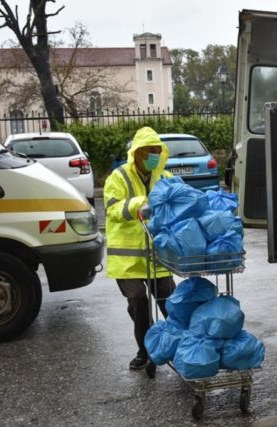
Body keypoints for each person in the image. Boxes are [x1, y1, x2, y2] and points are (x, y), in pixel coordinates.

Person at [104, 126, 175, 370]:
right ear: (137, 153)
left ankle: (181, 347)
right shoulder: (119, 177)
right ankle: (145, 350)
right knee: (138, 300)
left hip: (158, 256)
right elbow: (112, 209)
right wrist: (139, 205)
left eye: (157, 150)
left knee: (170, 302)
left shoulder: (165, 177)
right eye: (148, 151)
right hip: (128, 260)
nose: (153, 155)